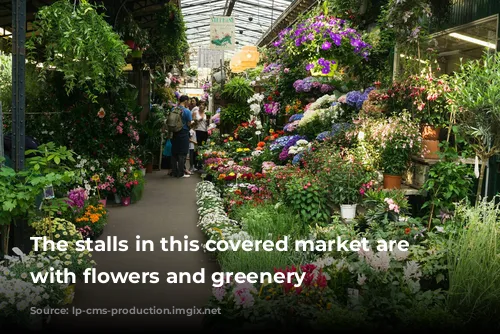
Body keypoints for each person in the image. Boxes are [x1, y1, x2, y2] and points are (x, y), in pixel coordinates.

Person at [170, 95, 192, 178]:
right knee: (182, 153)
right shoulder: (187, 111)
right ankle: (180, 173)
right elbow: (189, 123)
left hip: (174, 133)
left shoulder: (173, 109)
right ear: (186, 101)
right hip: (183, 133)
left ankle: (174, 171)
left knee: (174, 152)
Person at [192, 101, 208, 170]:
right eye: (200, 104)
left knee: (203, 148)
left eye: (203, 105)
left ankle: (201, 164)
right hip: (197, 131)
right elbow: (191, 123)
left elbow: (207, 123)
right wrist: (197, 120)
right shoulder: (195, 113)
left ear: (205, 106)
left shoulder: (206, 114)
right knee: (196, 148)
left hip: (204, 132)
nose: (201, 106)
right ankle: (194, 164)